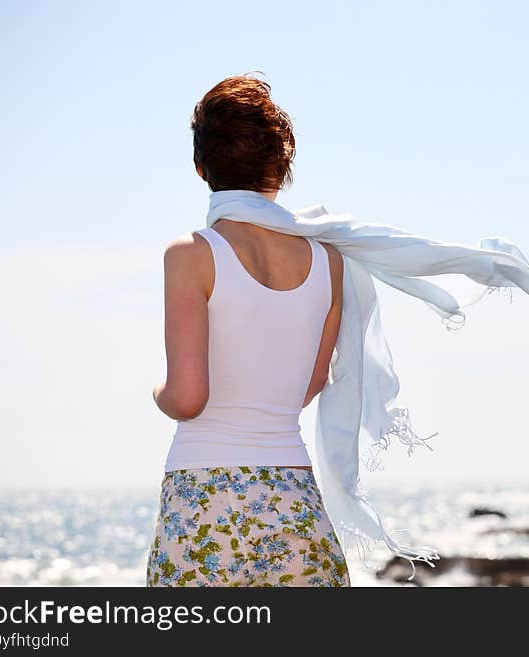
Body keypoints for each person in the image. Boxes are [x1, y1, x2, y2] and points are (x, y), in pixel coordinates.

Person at [146, 72, 351, 587]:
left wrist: (158, 394)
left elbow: (188, 398)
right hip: (296, 504)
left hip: (205, 501)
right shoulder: (329, 261)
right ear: (281, 167)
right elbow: (307, 388)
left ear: (201, 168)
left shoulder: (191, 255)